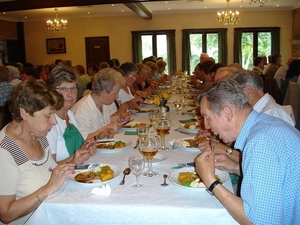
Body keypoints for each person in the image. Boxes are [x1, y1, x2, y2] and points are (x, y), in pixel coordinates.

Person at [195, 78, 300, 224]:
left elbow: (260, 222)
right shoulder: (266, 123)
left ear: (227, 113)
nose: (206, 126)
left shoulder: (260, 144)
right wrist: (236, 167)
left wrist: (210, 181)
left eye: (207, 117)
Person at [0, 80, 75, 224]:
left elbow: (48, 171)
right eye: (48, 116)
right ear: (24, 113)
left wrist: (74, 161)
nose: (54, 121)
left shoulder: (38, 136)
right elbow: (6, 214)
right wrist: (48, 189)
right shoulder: (5, 151)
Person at [46, 65, 111, 165]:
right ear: (51, 92)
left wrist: (87, 146)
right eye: (63, 89)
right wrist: (73, 160)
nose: (70, 94)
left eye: (73, 88)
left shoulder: (70, 114)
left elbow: (77, 149)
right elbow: (49, 168)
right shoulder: (49, 123)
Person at [71, 68, 129, 139]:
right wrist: (107, 128)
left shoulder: (102, 103)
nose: (117, 97)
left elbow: (99, 122)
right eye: (115, 93)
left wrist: (118, 119)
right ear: (104, 92)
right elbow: (83, 142)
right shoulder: (81, 111)